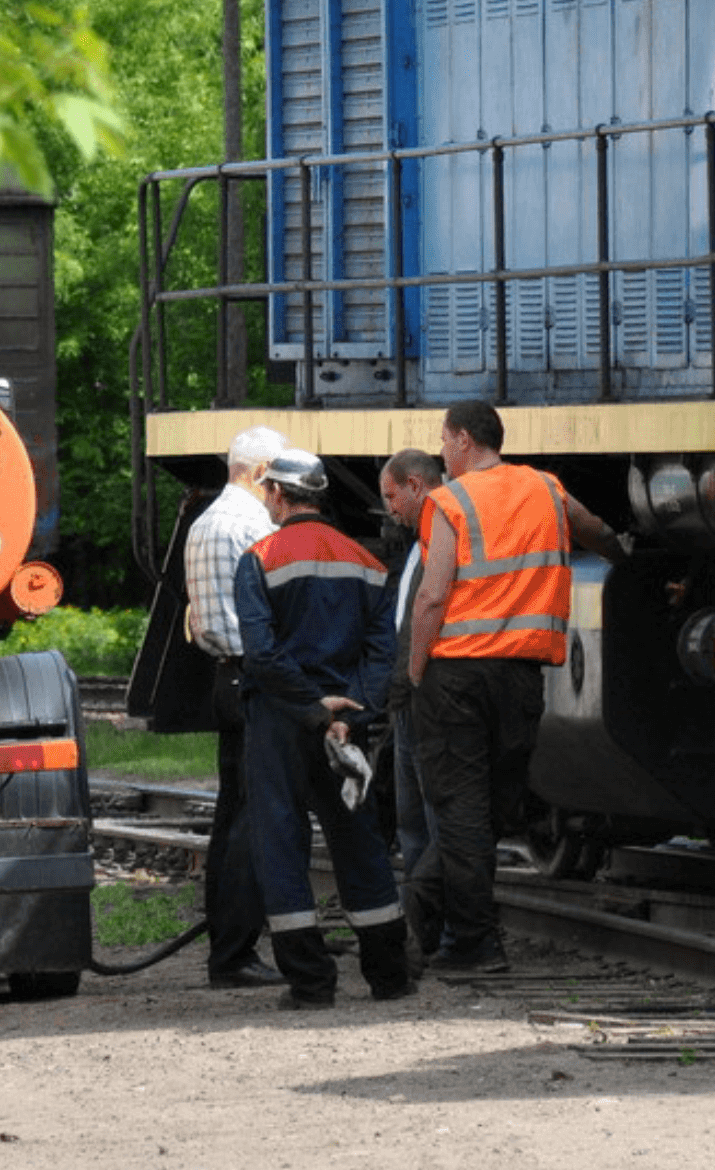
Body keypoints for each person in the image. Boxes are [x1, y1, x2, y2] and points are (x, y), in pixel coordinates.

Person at [406, 400, 624, 973]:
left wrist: (414, 670)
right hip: (522, 678)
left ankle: (469, 941)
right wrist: (631, 558)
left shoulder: (448, 501)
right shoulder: (546, 489)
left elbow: (431, 594)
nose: (441, 452)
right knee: (490, 811)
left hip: (455, 674)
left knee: (462, 812)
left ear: (460, 440)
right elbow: (598, 532)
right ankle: (426, 926)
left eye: (443, 441)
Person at [231, 449, 412, 1009]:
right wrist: (346, 713)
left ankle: (311, 986)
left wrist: (311, 706)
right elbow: (384, 652)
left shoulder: (259, 560)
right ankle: (389, 976)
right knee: (358, 841)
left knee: (280, 844)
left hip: (282, 721)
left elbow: (261, 654)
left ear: (279, 495)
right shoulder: (369, 562)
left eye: (268, 495)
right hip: (345, 723)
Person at [180, 425, 290, 989]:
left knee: (232, 818)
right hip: (254, 679)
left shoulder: (205, 523)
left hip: (226, 677)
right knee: (253, 820)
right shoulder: (249, 526)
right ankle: (236, 952)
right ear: (261, 472)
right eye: (279, 476)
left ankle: (229, 945)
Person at [377, 446, 446, 964]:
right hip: (410, 699)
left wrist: (412, 680)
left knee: (432, 815)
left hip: (425, 697)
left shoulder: (442, 535)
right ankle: (425, 934)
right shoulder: (422, 541)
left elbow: (428, 609)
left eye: (391, 495)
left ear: (416, 485)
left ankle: (435, 932)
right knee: (412, 820)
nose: (388, 508)